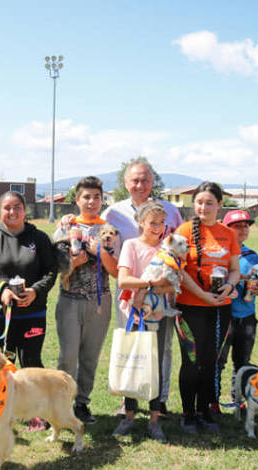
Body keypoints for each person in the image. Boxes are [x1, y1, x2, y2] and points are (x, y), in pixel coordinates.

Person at [100, 162, 183, 416]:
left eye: (145, 180)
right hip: (130, 294)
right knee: (131, 343)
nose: (140, 185)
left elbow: (178, 249)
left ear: (152, 182)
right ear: (125, 183)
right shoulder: (113, 212)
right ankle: (130, 399)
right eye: (135, 180)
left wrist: (164, 285)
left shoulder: (170, 210)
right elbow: (103, 244)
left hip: (161, 292)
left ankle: (160, 399)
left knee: (162, 346)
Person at [0, 191, 57, 431]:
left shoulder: (39, 238)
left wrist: (36, 291)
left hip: (33, 314)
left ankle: (37, 414)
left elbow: (50, 271)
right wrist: (1, 290)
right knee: (4, 362)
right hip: (1, 314)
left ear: (25, 210)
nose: (12, 212)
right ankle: (3, 410)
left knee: (31, 362)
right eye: (7, 208)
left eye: (17, 207)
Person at [175, 182, 240, 433]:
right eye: (199, 202)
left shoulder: (228, 234)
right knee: (191, 360)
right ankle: (188, 413)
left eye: (209, 202)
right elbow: (177, 269)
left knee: (210, 361)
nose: (203, 207)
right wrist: (201, 293)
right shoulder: (183, 231)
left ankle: (205, 410)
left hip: (220, 307)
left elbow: (234, 269)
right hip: (189, 306)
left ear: (220, 205)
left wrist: (230, 286)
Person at [53, 177, 118, 425]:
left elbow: (115, 271)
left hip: (99, 301)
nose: (91, 202)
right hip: (70, 299)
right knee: (68, 356)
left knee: (90, 356)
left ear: (102, 200)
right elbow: (57, 269)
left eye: (96, 197)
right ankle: (61, 404)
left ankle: (82, 404)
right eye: (86, 197)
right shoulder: (66, 227)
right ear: (77, 200)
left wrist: (97, 252)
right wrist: (74, 264)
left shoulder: (109, 229)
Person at [112, 201, 176, 442]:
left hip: (158, 317)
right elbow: (123, 281)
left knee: (156, 367)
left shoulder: (167, 249)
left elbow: (171, 283)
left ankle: (154, 420)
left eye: (161, 223)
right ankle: (128, 417)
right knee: (132, 364)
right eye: (152, 223)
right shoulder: (131, 246)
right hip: (133, 317)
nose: (157, 228)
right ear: (141, 222)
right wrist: (148, 285)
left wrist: (153, 289)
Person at [217, 209, 258, 404]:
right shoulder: (220, 253)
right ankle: (213, 400)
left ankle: (239, 401)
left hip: (247, 316)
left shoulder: (252, 255)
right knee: (218, 361)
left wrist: (256, 287)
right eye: (238, 226)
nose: (243, 229)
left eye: (246, 226)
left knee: (242, 362)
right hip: (224, 315)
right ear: (226, 229)